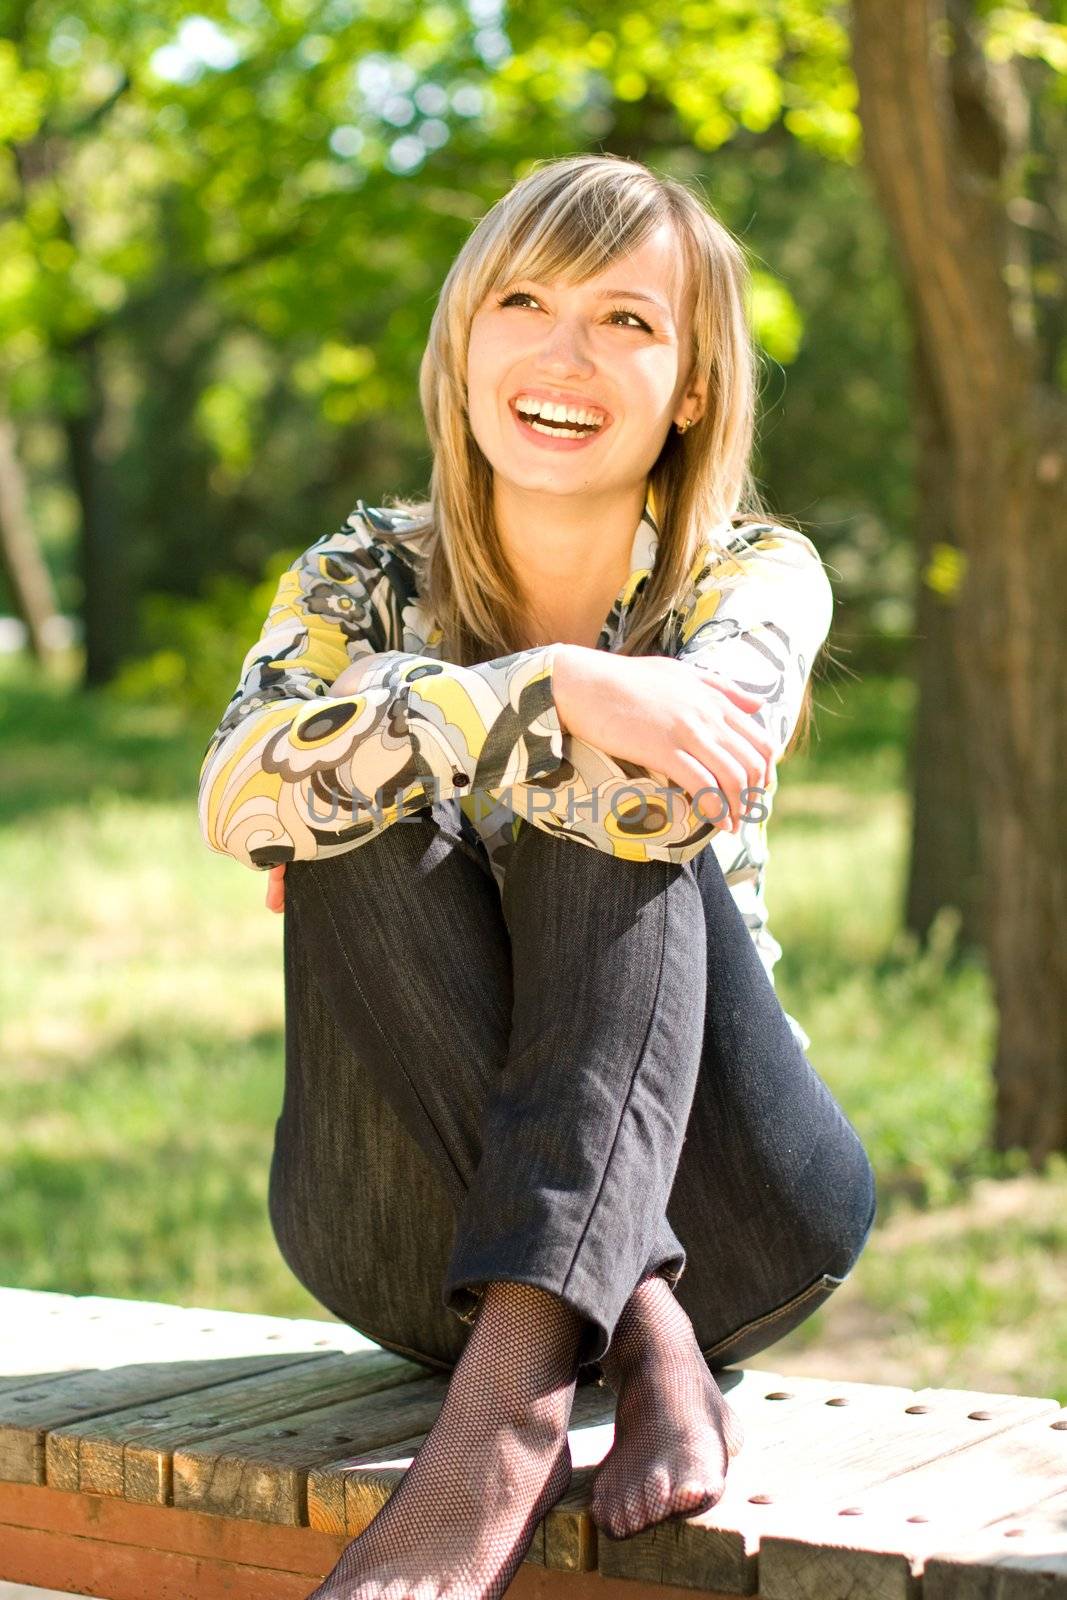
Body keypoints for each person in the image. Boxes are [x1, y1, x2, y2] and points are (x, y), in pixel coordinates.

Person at [197, 152, 877, 1600]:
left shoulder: (752, 575)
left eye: (629, 321)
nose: (566, 355)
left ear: (692, 384)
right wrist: (555, 683)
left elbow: (656, 799)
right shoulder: (360, 570)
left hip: (738, 1212)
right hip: (403, 1228)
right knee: (364, 822)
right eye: (525, 300)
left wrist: (392, 725)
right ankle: (626, 1329)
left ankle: (498, 1432)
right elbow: (237, 789)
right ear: (465, 341)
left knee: (585, 808)